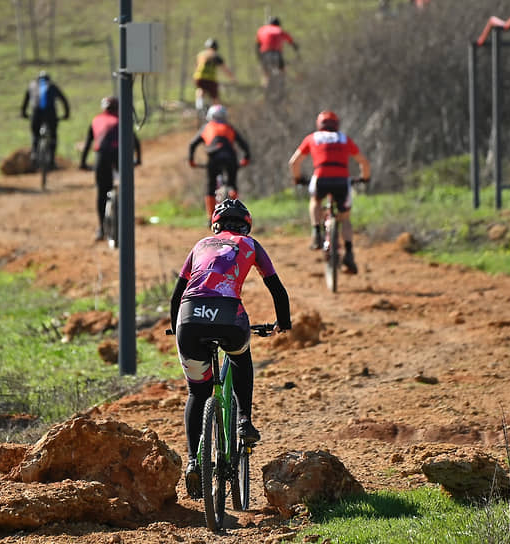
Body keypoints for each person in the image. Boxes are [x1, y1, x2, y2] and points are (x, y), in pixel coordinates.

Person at [169, 199, 291, 499]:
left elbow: (176, 295)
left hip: (189, 317)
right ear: (246, 224)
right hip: (229, 317)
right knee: (239, 356)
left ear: (216, 224)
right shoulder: (250, 244)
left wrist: (178, 327)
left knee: (198, 392)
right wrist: (283, 323)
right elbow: (276, 287)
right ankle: (244, 421)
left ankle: (195, 460)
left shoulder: (199, 245)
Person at [288, 110, 371, 274]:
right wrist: (364, 178)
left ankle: (316, 232)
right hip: (342, 181)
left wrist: (298, 178)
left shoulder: (312, 138)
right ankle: (348, 253)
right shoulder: (344, 138)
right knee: (345, 218)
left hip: (321, 178)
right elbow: (364, 162)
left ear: (319, 124)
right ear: (337, 125)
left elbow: (294, 162)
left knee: (315, 201)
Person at [79, 96, 142, 241]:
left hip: (101, 157)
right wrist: (138, 160)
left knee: (102, 192)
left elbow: (88, 143)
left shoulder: (96, 120)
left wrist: (82, 163)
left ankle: (101, 228)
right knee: (127, 189)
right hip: (120, 156)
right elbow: (136, 142)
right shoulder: (122, 121)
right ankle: (127, 222)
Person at [188, 104, 250, 219]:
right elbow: (244, 145)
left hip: (214, 157)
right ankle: (236, 213)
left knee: (211, 186)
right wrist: (246, 158)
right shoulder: (229, 127)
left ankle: (211, 217)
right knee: (232, 185)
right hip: (230, 157)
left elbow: (192, 144)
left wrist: (191, 161)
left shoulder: (206, 127)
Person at [21, 70, 70, 168]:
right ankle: (51, 159)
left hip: (36, 113)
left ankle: (34, 153)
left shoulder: (32, 85)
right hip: (50, 113)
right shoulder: (52, 86)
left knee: (35, 134)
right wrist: (66, 114)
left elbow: (25, 102)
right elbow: (64, 100)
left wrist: (24, 114)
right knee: (53, 135)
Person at [192, 38, 235, 116]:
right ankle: (216, 113)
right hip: (210, 79)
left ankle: (199, 105)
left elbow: (197, 66)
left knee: (200, 90)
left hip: (198, 77)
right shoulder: (216, 55)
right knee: (215, 98)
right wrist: (232, 78)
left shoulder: (201, 54)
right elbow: (225, 69)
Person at [255, 16, 299, 87]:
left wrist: (259, 57)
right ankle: (282, 85)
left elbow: (257, 45)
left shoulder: (261, 30)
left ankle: (265, 88)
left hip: (264, 54)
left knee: (265, 73)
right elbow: (291, 41)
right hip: (276, 54)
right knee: (282, 70)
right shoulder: (279, 30)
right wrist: (295, 47)